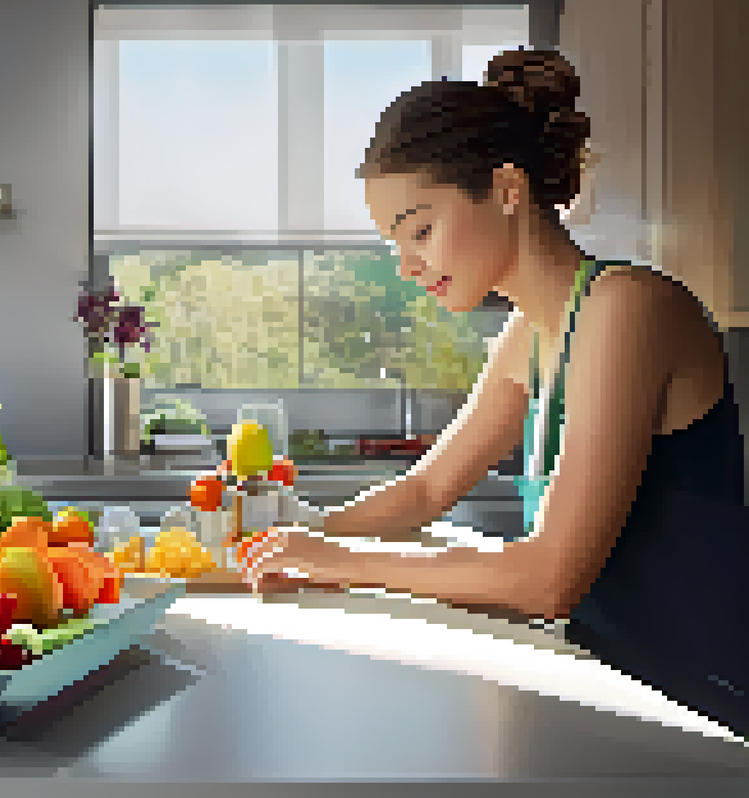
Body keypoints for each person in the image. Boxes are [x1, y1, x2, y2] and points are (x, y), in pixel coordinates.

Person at [234, 48, 749, 736]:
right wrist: (286, 542)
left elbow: (548, 579)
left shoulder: (626, 308)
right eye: (396, 243)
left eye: (421, 229)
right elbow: (425, 492)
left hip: (701, 711)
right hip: (613, 689)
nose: (409, 265)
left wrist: (336, 559)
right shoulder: (528, 335)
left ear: (508, 189)